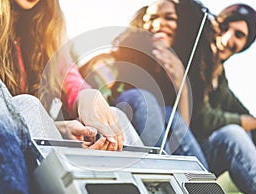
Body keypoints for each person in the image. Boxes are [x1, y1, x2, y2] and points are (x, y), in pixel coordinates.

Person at [0, 0, 144, 194]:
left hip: (33, 149)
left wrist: (86, 98)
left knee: (116, 115)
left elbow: (68, 76)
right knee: (13, 97)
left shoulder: (46, 30)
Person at [80, 0, 210, 169]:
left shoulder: (172, 73)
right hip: (114, 133)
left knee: (171, 113)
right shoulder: (119, 58)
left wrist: (182, 87)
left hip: (152, 146)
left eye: (169, 18)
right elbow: (93, 99)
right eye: (152, 17)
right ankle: (162, 174)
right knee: (142, 97)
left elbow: (181, 134)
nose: (158, 24)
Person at [187, 3, 256, 194]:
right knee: (233, 134)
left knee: (247, 132)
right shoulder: (197, 57)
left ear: (245, 45)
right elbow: (201, 118)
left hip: (204, 154)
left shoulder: (220, 77)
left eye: (239, 35)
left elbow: (242, 112)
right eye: (224, 27)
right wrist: (249, 122)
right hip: (183, 151)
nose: (227, 38)